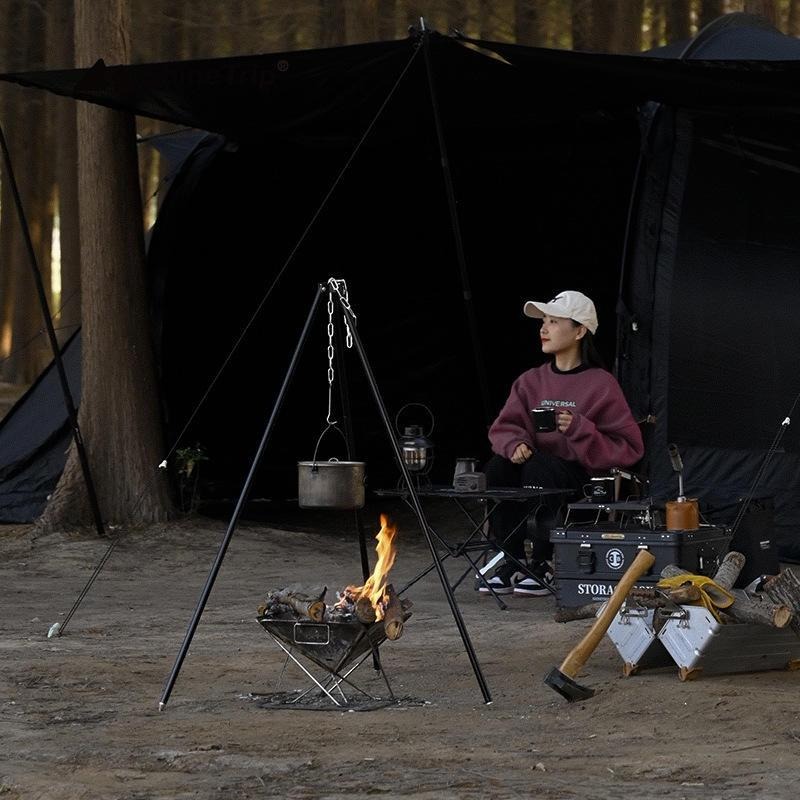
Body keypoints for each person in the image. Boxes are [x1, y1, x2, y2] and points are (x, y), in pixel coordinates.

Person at [482, 290, 644, 597]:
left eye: (554, 322)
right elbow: (505, 427)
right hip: (535, 470)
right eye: (543, 322)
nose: (543, 329)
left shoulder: (601, 384)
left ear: (579, 330)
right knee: (498, 466)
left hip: (578, 478)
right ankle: (510, 558)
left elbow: (629, 447)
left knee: (541, 468)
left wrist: (580, 428)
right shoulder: (530, 380)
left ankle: (543, 561)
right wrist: (514, 443)